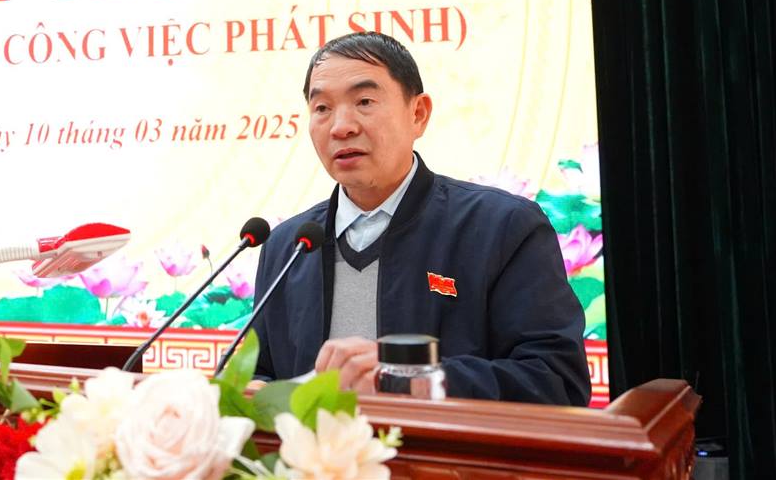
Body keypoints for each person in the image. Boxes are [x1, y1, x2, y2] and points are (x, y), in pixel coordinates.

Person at [251, 32, 590, 405]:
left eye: (364, 102)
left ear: (418, 114)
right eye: (322, 108)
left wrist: (406, 379)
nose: (341, 126)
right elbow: (261, 373)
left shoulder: (502, 228)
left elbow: (556, 381)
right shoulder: (288, 246)